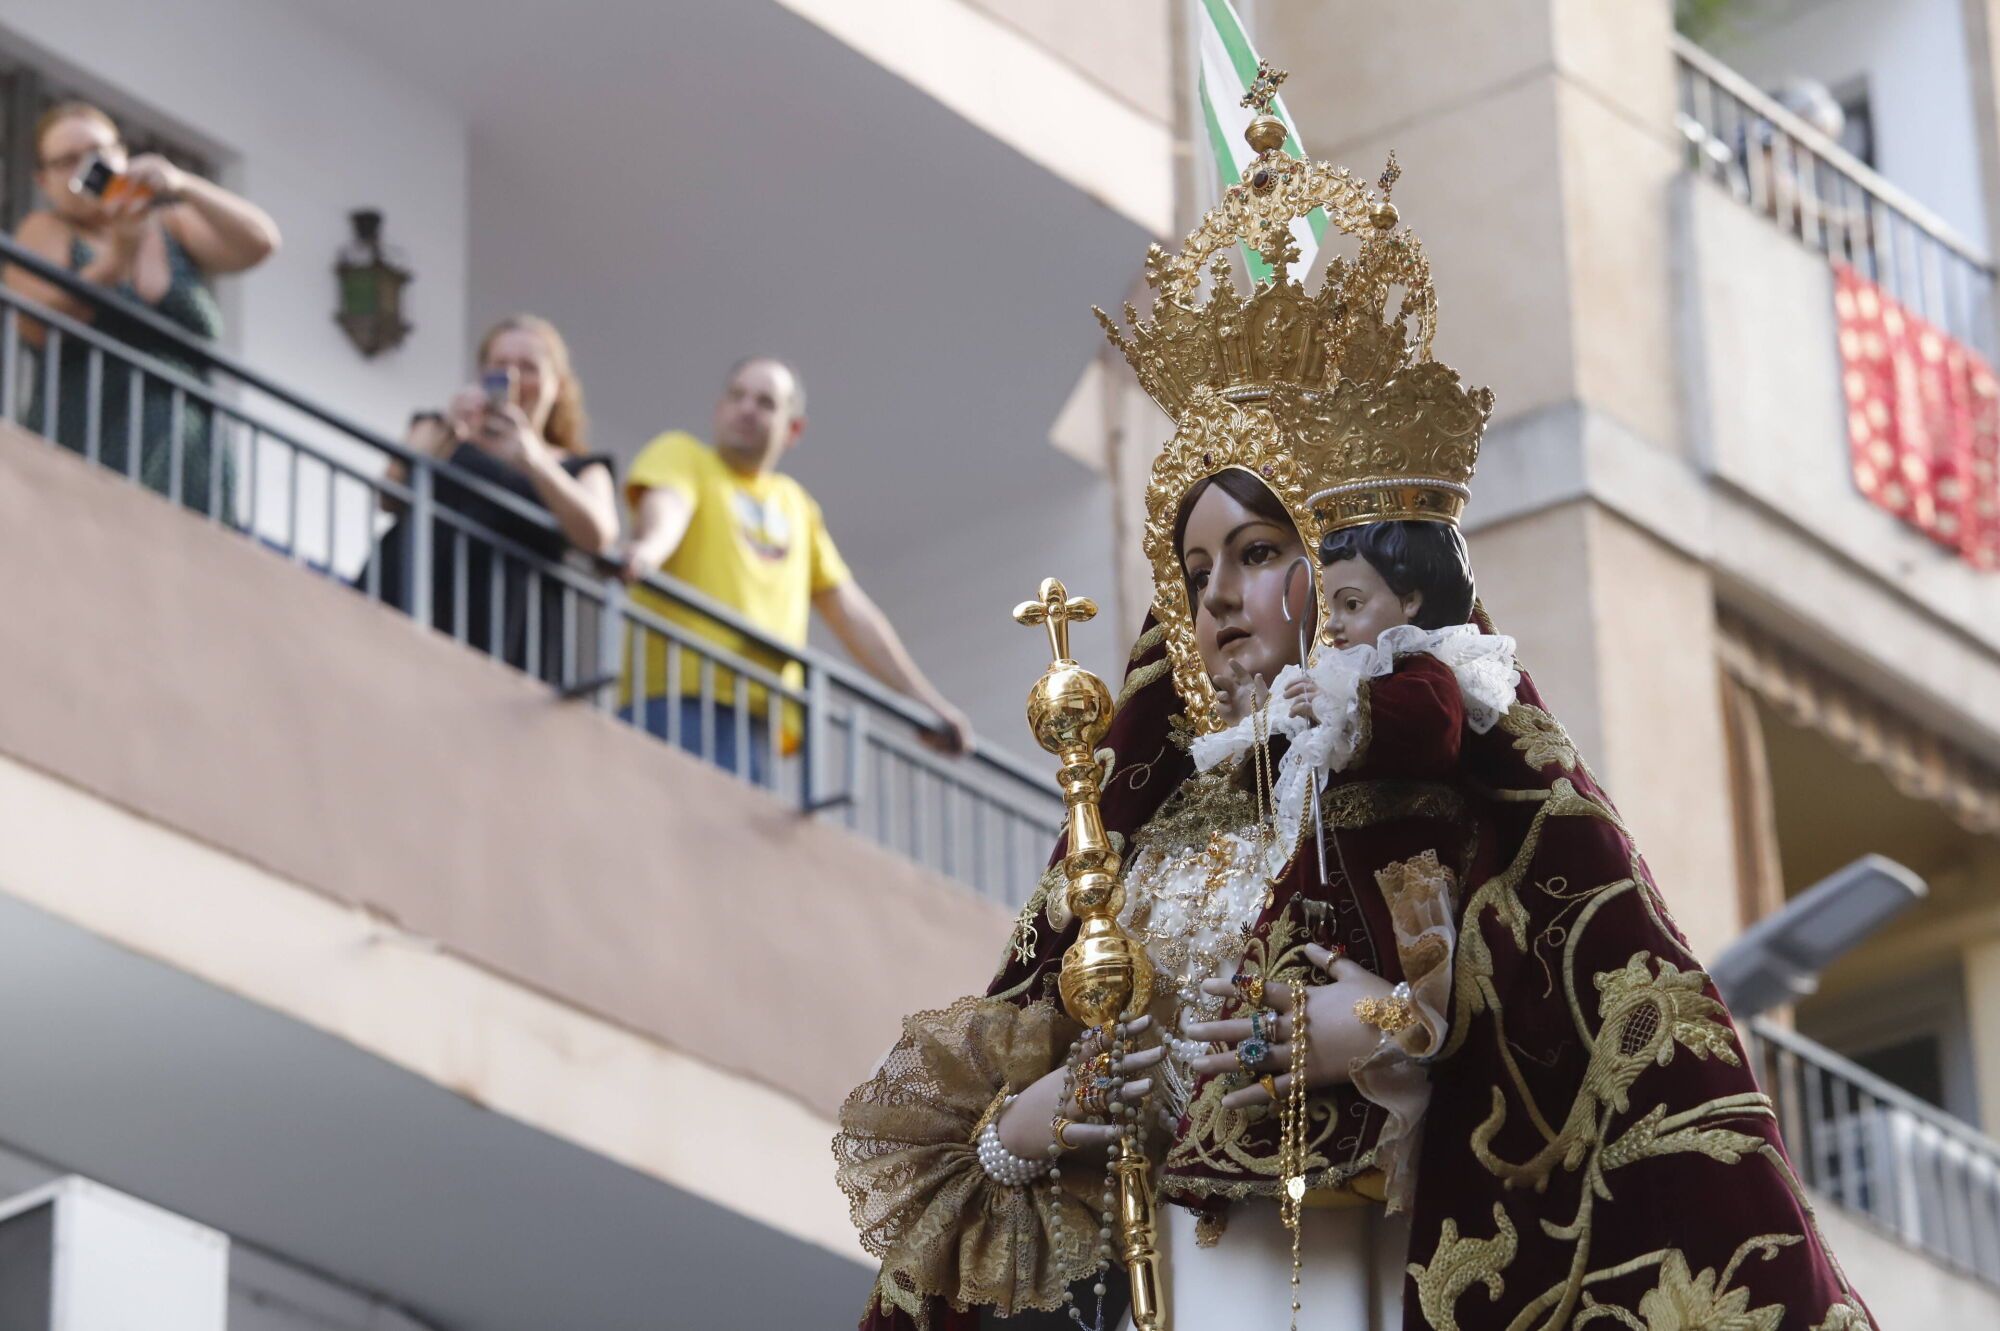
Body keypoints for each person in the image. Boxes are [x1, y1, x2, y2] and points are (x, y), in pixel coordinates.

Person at [834, 66, 1875, 1331]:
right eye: (1195, 564)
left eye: (1260, 553)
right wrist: (1021, 1123)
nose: (1217, 596)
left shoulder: (1434, 778)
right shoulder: (1144, 825)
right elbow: (1033, 1045)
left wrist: (1382, 1031)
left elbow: (1562, 1038)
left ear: (1343, 571)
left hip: (1342, 1274)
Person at [618, 357, 973, 781]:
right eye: (737, 396)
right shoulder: (683, 455)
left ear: (793, 429)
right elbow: (669, 509)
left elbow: (849, 610)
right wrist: (647, 551)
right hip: (674, 693)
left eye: (766, 402)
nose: (747, 408)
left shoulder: (797, 506)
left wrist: (926, 703)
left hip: (758, 715)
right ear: (719, 408)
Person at [6, 100, 279, 522]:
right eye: (67, 161)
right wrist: (116, 260)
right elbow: (37, 325)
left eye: (98, 152)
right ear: (44, 181)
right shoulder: (46, 230)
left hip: (188, 452)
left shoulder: (170, 224)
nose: (86, 167)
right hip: (91, 435)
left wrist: (180, 183)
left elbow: (258, 243)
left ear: (121, 154)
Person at [368, 314, 619, 683]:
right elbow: (388, 495)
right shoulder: (441, 428)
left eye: (529, 368)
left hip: (512, 633)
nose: (514, 378)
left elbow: (600, 536)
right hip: (413, 595)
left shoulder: (578, 467)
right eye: (501, 366)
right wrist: (449, 429)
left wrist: (534, 460)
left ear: (558, 385)